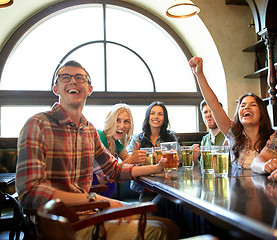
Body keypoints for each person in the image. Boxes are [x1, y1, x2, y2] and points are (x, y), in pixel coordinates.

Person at [15, 60, 170, 239]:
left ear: (89, 89)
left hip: (89, 213)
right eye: (65, 77)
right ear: (56, 89)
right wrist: (97, 200)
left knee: (167, 222)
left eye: (80, 78)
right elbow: (30, 192)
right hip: (58, 227)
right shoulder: (38, 124)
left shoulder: (88, 130)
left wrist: (157, 168)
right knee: (159, 230)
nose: (73, 81)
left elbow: (114, 170)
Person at [189, 56, 274, 174]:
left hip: (266, 189)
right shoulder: (233, 134)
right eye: (242, 105)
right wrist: (199, 75)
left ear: (262, 112)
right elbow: (214, 106)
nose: (247, 107)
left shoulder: (274, 138)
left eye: (253, 105)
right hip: (238, 189)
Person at [92, 103, 146, 197]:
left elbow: (130, 163)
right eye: (118, 120)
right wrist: (132, 160)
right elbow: (101, 178)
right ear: (110, 121)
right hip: (94, 196)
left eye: (126, 121)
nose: (122, 126)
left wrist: (140, 161)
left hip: (103, 198)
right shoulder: (100, 137)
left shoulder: (116, 142)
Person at [129, 101, 179, 202]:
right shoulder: (138, 138)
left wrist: (177, 158)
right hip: (146, 189)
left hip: (169, 186)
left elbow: (180, 158)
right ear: (147, 117)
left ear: (164, 118)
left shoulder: (170, 137)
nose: (156, 117)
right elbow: (129, 160)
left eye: (160, 114)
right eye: (152, 113)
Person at [192, 100, 227, 164]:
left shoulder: (228, 136)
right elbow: (203, 169)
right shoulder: (205, 139)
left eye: (211, 111)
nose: (208, 115)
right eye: (205, 112)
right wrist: (195, 159)